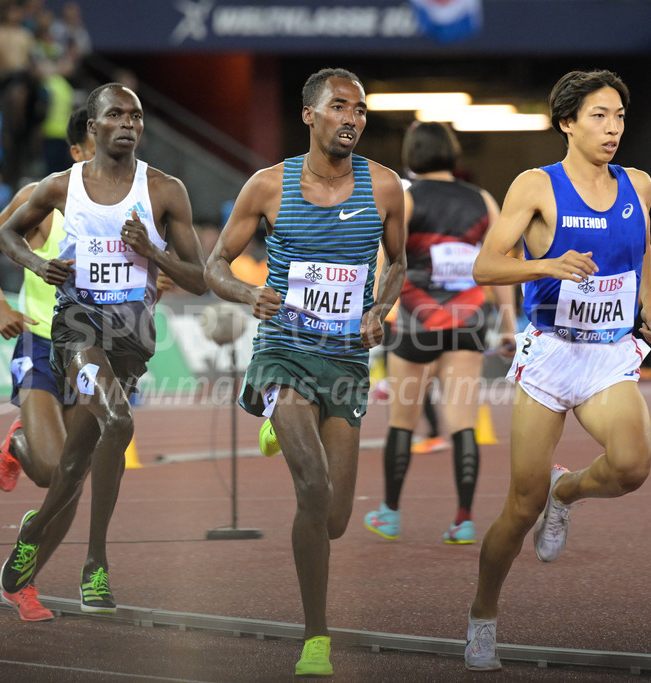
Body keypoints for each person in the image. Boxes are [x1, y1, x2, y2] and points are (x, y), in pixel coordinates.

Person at [205, 68, 407, 677]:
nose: (353, 119)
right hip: (283, 352)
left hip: (344, 360)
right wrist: (247, 295)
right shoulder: (268, 187)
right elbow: (216, 263)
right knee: (312, 488)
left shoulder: (386, 187)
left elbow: (398, 264)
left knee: (336, 520)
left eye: (361, 110)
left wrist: (379, 307)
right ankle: (315, 635)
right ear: (309, 116)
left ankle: (279, 426)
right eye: (339, 107)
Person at [464, 70, 651, 671]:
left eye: (620, 117)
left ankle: (568, 488)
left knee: (632, 465)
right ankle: (482, 616)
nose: (613, 129)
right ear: (567, 123)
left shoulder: (639, 185)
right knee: (519, 509)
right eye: (600, 116)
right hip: (552, 354)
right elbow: (485, 267)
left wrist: (649, 307)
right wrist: (547, 265)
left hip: (608, 352)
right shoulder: (536, 187)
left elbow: (644, 245)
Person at [0, 83, 205, 616]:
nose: (128, 122)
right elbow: (6, 237)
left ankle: (35, 531)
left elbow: (200, 278)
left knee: (74, 460)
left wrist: (150, 251)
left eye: (135, 114)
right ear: (93, 128)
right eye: (115, 114)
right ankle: (96, 563)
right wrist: (39, 264)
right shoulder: (61, 187)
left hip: (132, 336)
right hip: (76, 328)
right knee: (118, 422)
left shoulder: (164, 190)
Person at [364, 121, 515, 546]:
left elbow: (387, 260)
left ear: (412, 155)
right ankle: (464, 520)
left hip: (415, 322)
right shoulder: (483, 200)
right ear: (453, 153)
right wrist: (508, 326)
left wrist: (376, 312)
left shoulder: (406, 198)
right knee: (463, 422)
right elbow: (501, 267)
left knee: (402, 422)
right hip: (468, 322)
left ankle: (390, 515)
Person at [0, 106, 94, 621]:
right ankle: (19, 442)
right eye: (102, 137)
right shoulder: (45, 198)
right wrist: (0, 305)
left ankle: (25, 580)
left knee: (73, 480)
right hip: (43, 346)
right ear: (77, 152)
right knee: (50, 471)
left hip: (97, 352)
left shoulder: (139, 200)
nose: (120, 147)